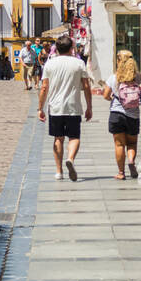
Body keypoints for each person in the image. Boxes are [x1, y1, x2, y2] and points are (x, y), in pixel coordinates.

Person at [37, 32, 92, 181]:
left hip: (55, 107)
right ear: (71, 47)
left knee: (58, 138)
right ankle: (71, 159)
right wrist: (89, 107)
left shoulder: (50, 63)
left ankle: (59, 171)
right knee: (74, 137)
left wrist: (40, 108)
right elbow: (86, 86)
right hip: (73, 107)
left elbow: (44, 87)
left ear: (57, 48)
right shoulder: (79, 63)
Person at [102, 49, 141, 179]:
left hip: (117, 114)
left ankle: (121, 173)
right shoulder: (137, 77)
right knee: (132, 143)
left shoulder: (113, 78)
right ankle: (131, 161)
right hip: (133, 115)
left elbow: (105, 95)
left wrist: (111, 99)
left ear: (119, 61)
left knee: (119, 144)